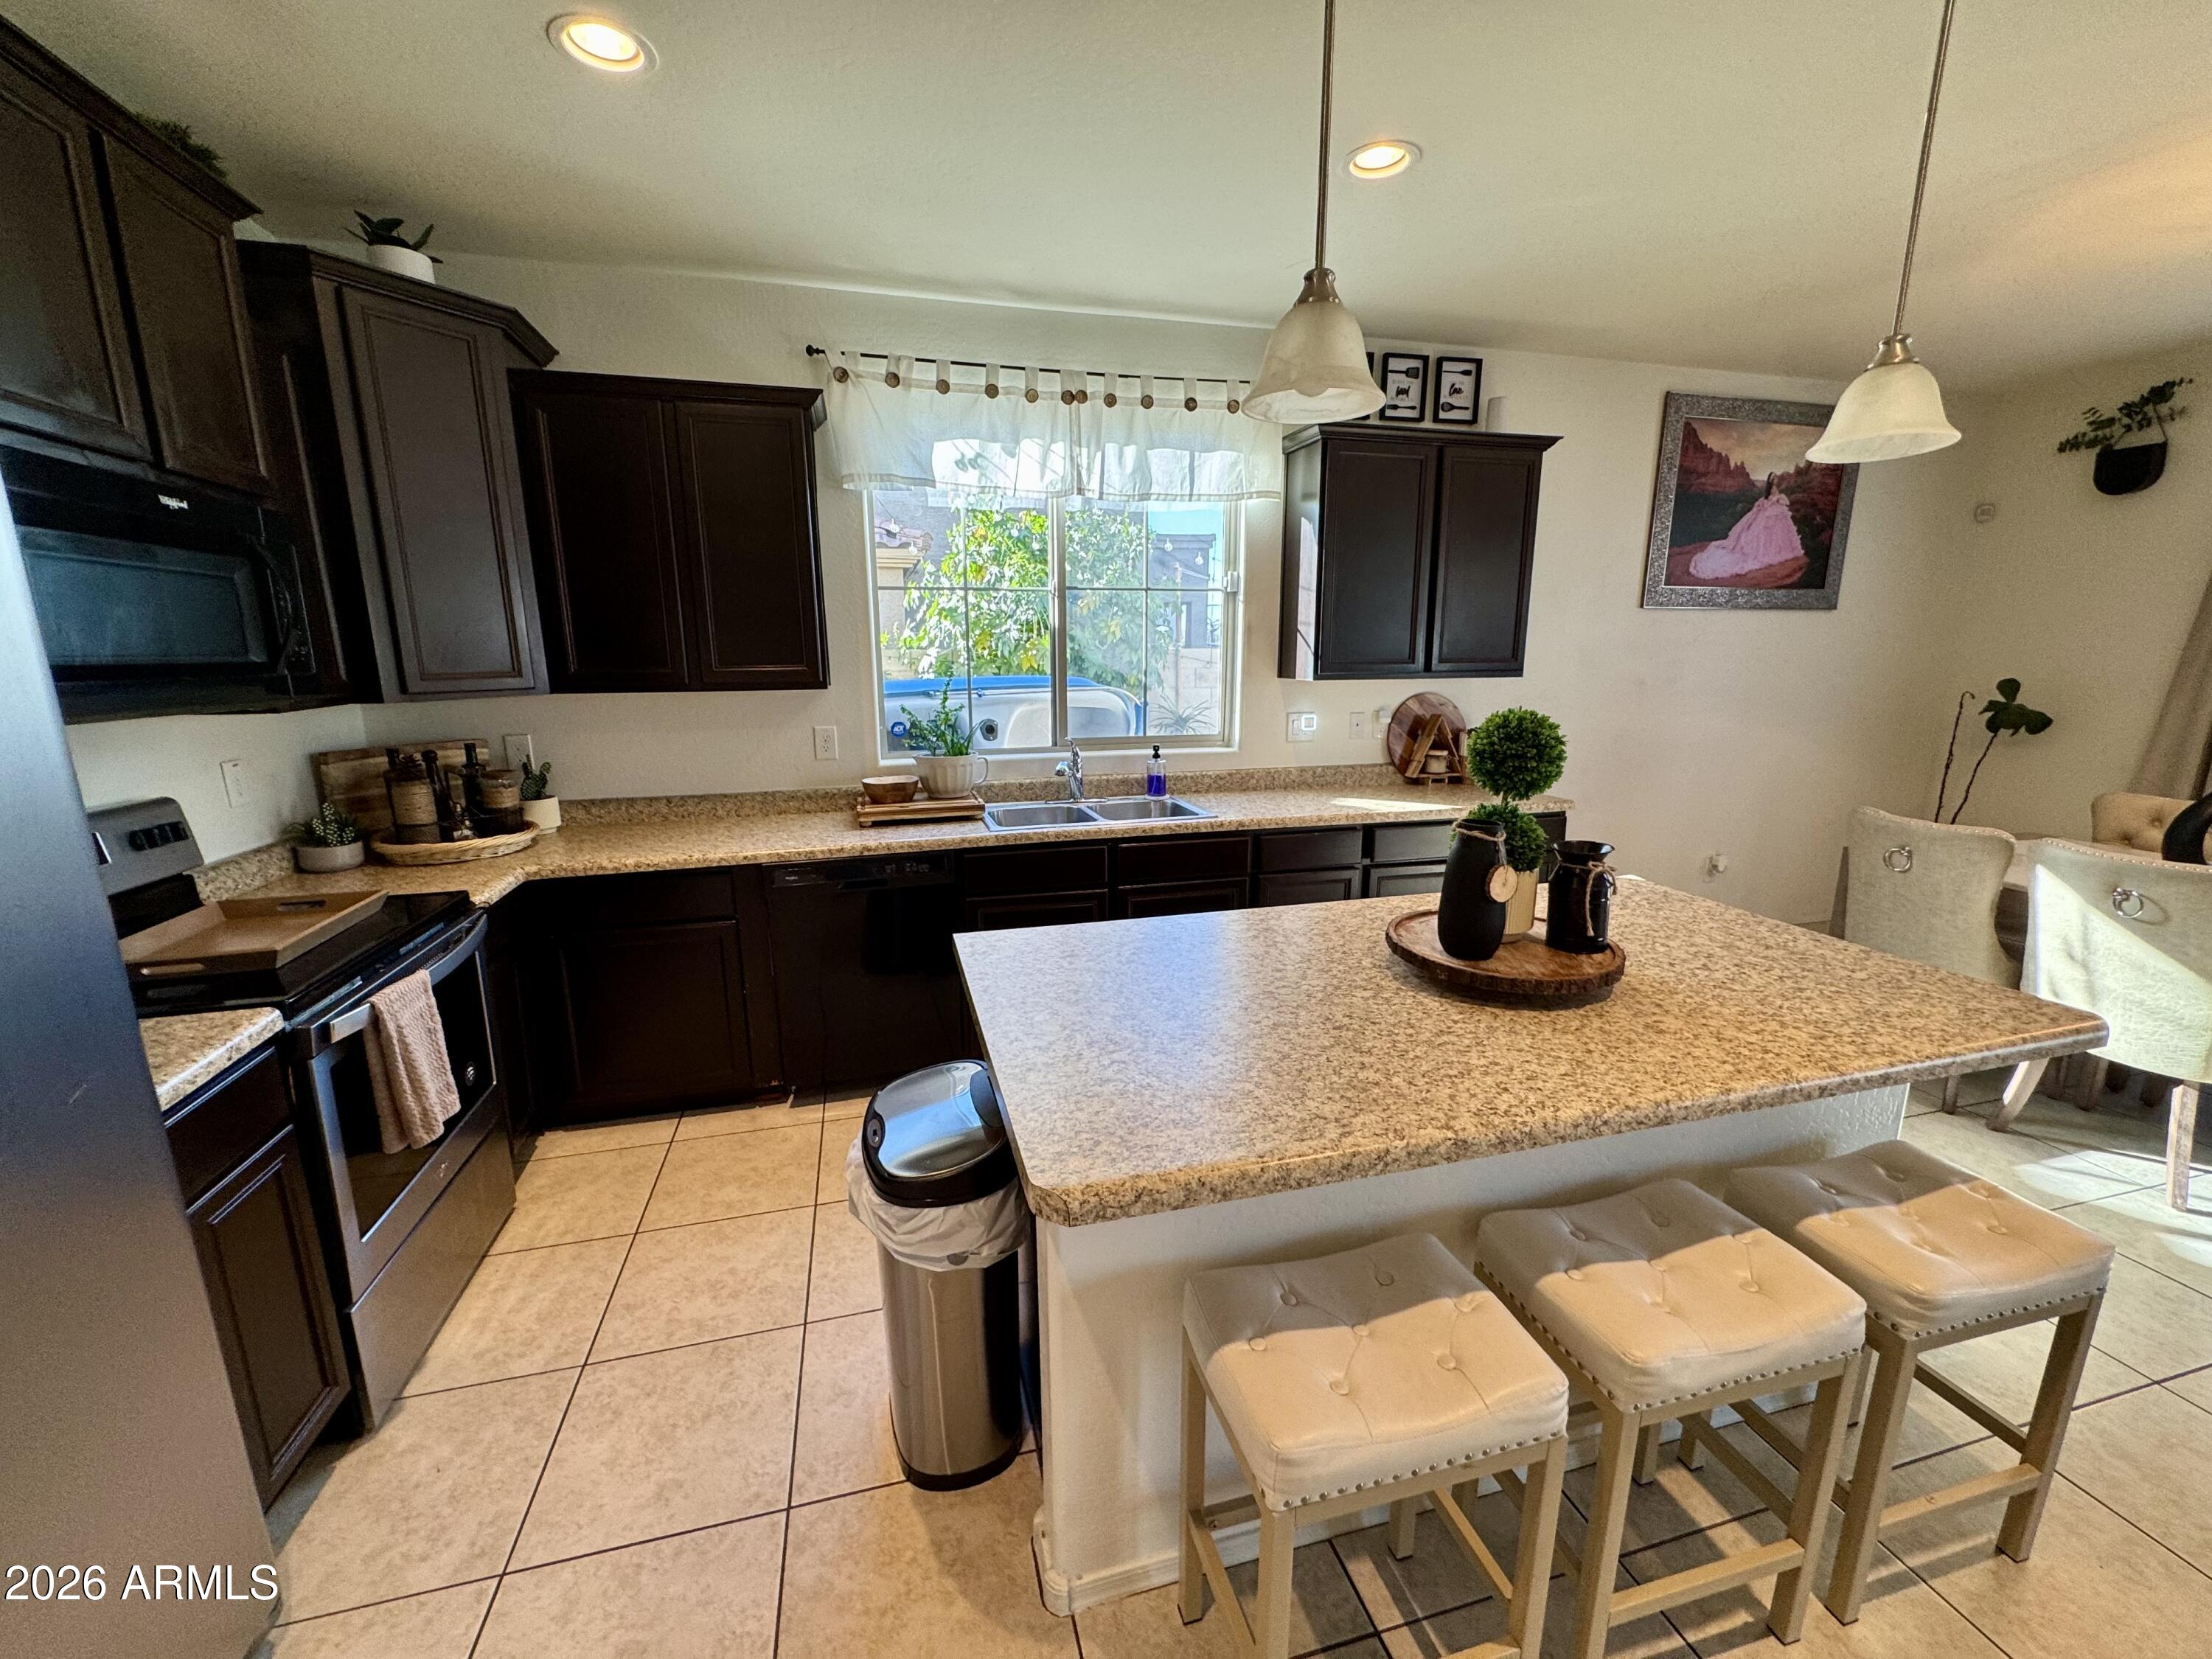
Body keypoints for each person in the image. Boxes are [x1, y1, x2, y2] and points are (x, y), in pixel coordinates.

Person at [1689, 474, 1804, 580]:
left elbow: (1773, 500)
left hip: (1774, 512)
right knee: (1765, 534)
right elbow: (1768, 500)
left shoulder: (1774, 489)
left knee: (1776, 533)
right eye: (1774, 479)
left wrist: (1778, 500)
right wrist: (1776, 500)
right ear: (1771, 481)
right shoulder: (1772, 489)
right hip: (1770, 512)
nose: (1776, 480)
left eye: (1776, 479)